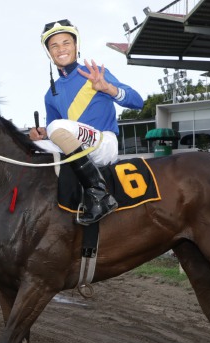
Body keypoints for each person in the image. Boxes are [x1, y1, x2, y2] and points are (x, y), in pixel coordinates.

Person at [29, 19, 143, 225]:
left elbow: (138, 101)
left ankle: (99, 194)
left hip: (104, 145)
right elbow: (55, 132)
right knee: (31, 147)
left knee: (56, 127)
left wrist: (108, 88)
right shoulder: (50, 95)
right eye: (54, 45)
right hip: (76, 146)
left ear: (75, 46)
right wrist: (40, 135)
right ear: (49, 52)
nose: (61, 49)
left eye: (66, 43)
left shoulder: (96, 74)